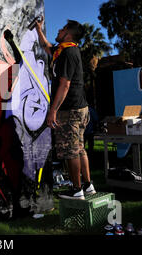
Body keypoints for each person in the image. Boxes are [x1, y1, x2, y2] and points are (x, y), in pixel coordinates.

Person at [35, 18, 96, 200]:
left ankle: (76, 190)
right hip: (79, 108)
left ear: (68, 34)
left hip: (70, 110)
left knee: (70, 149)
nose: (59, 30)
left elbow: (65, 84)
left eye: (62, 29)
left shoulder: (69, 52)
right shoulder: (61, 51)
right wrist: (39, 29)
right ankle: (87, 185)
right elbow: (47, 46)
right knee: (79, 148)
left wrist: (53, 110)